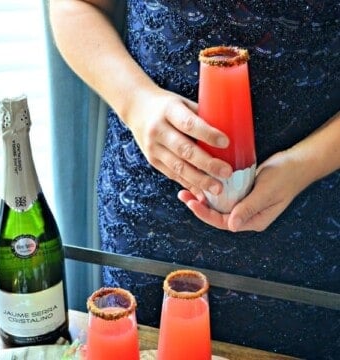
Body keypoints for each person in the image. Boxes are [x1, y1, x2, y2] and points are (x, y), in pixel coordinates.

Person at [49, 1, 340, 358]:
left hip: (310, 228)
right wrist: (135, 102)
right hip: (149, 224)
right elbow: (76, 6)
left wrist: (305, 164)